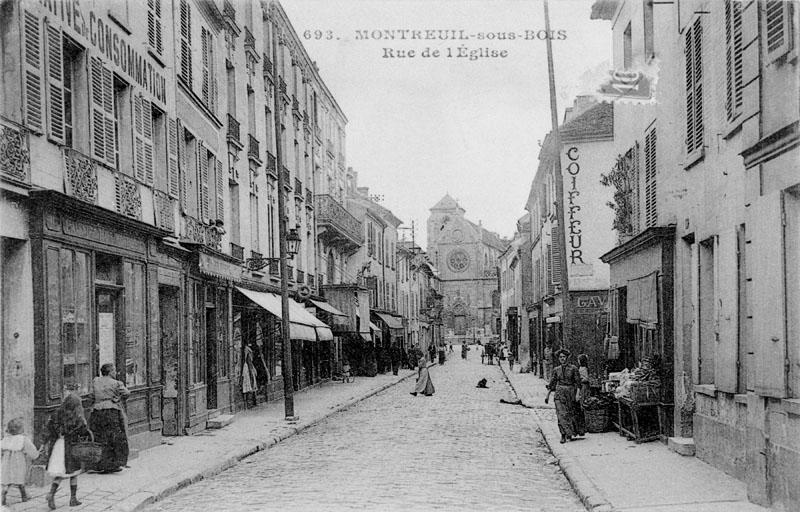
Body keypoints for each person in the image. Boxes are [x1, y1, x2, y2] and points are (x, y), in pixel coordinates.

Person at [43, 393, 91, 509]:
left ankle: (51, 494)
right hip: (71, 448)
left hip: (58, 447)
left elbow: (49, 429)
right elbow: (84, 432)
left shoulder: (56, 414)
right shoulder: (77, 418)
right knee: (73, 473)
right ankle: (73, 498)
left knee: (60, 473)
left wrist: (45, 443)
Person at [89, 363, 130, 473]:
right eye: (114, 370)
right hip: (111, 411)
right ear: (111, 372)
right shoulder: (116, 383)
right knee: (115, 437)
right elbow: (127, 393)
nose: (115, 372)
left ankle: (100, 464)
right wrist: (117, 398)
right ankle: (114, 464)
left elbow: (91, 396)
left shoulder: (96, 381)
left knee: (100, 437)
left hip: (97, 411)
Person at [545, 349, 584, 443]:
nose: (562, 359)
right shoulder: (556, 370)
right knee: (561, 414)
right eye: (560, 357)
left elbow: (578, 383)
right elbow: (552, 383)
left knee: (569, 414)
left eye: (564, 357)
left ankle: (569, 433)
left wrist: (578, 394)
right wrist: (547, 395)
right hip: (559, 393)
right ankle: (563, 434)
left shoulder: (573, 368)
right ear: (558, 358)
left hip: (571, 392)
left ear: (567, 358)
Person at [1, 418, 39, 505]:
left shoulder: (6, 438)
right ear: (21, 429)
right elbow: (31, 450)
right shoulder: (23, 439)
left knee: (7, 479)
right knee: (20, 479)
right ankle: (24, 496)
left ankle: (4, 492)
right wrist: (36, 454)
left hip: (7, 462)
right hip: (18, 462)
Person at [576, 353, 591, 435]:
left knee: (583, 403)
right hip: (583, 387)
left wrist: (580, 379)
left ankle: (585, 425)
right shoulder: (583, 368)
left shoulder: (583, 368)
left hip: (583, 387)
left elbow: (586, 378)